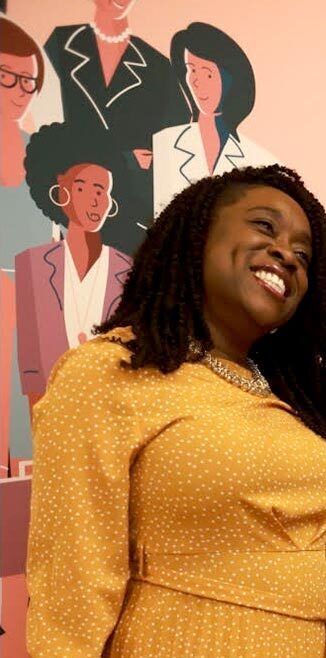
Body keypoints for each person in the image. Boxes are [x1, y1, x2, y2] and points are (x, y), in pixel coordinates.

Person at [26, 165, 326, 658]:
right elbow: (72, 585)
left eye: (304, 255)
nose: (286, 253)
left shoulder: (292, 404)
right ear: (197, 235)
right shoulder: (108, 372)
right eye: (264, 227)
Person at [44, 0, 189, 253]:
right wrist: (126, 160)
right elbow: (44, 141)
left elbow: (169, 158)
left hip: (128, 226)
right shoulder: (59, 46)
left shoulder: (158, 68)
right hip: (66, 213)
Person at [16, 122, 131, 410]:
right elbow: (31, 368)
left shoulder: (126, 269)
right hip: (51, 415)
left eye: (101, 190)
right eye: (83, 187)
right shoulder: (32, 265)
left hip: (106, 413)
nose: (94, 199)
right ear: (60, 193)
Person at [0, 16, 56, 475]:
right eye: (8, 78)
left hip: (33, 304)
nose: (20, 91)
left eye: (29, 83)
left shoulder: (39, 151)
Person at [153, 22, 276, 216]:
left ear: (231, 80)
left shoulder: (260, 162)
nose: (196, 81)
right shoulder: (163, 143)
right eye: (191, 70)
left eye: (208, 73)